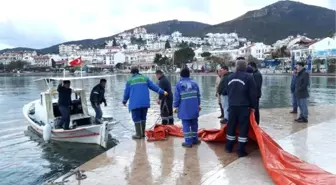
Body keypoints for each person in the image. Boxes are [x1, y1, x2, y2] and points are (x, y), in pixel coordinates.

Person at [123, 67, 168, 139]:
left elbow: (126, 93)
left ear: (132, 73)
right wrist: (163, 92)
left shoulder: (130, 81)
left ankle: (138, 134)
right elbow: (154, 87)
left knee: (136, 118)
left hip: (135, 104)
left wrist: (124, 101)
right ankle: (143, 134)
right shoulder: (145, 78)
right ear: (138, 72)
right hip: (145, 103)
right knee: (143, 117)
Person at [226, 59, 257, 157]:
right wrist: (253, 106)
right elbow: (253, 93)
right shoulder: (249, 77)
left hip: (232, 106)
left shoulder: (229, 77)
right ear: (245, 67)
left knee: (231, 126)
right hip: (244, 107)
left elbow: (227, 91)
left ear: (236, 66)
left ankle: (229, 147)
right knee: (243, 127)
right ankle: (240, 150)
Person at [174, 68, 201, 148]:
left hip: (184, 108)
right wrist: (198, 104)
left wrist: (175, 106)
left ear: (181, 75)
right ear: (189, 74)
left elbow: (177, 98)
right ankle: (195, 139)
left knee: (186, 125)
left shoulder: (179, 84)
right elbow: (198, 95)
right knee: (194, 124)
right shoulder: (195, 83)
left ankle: (188, 142)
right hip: (194, 107)